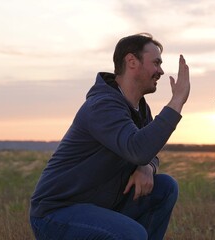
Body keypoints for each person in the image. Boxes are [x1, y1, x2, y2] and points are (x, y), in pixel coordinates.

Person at [29, 33, 190, 240]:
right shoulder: (102, 106)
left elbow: (148, 151)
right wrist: (177, 101)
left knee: (165, 187)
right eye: (156, 62)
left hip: (100, 208)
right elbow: (138, 149)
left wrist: (147, 166)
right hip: (57, 213)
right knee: (132, 235)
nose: (160, 71)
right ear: (132, 61)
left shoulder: (140, 109)